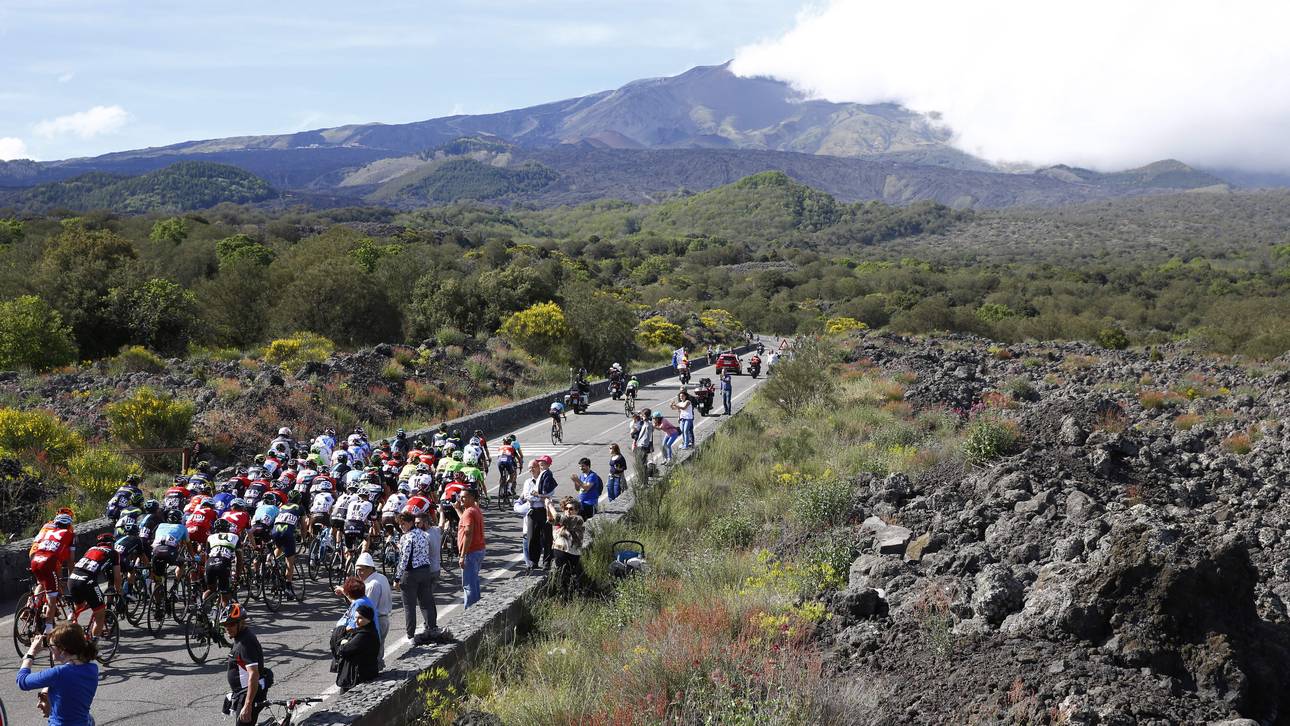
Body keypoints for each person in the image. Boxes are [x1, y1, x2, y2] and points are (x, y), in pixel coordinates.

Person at [18, 621, 98, 726]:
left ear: (63, 649)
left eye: (51, 646)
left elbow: (22, 681)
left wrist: (31, 653)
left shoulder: (58, 673)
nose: (49, 648)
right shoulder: (92, 668)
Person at [392, 512, 448, 644]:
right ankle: (432, 628)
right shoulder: (424, 534)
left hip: (410, 574)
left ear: (410, 522)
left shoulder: (406, 537)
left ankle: (410, 635)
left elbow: (404, 559)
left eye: (403, 524)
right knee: (426, 602)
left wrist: (397, 578)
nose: (401, 526)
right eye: (400, 524)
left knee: (409, 606)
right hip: (425, 571)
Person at [67, 532, 123, 640]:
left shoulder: (91, 549)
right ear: (111, 544)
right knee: (100, 612)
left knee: (79, 605)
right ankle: (93, 644)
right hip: (87, 581)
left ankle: (71, 621)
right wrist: (118, 591)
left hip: (72, 578)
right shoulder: (114, 553)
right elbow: (117, 577)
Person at [223, 603, 270, 726]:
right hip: (243, 693)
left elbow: (253, 674)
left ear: (241, 623)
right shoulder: (240, 637)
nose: (227, 628)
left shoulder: (245, 643)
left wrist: (248, 705)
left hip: (249, 694)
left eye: (231, 624)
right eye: (225, 625)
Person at [352, 552, 392, 664]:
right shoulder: (382, 577)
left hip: (376, 622)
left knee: (371, 655)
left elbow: (365, 609)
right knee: (378, 652)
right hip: (383, 620)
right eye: (357, 570)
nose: (359, 573)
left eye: (361, 570)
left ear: (370, 568)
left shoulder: (372, 585)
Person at [334, 603, 380, 691]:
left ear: (369, 619)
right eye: (355, 618)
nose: (356, 621)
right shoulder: (370, 630)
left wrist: (343, 642)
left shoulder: (364, 635)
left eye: (360, 618)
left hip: (357, 677)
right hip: (363, 673)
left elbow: (343, 650)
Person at [544, 496, 585, 594]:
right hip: (560, 550)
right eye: (566, 508)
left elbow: (557, 517)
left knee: (571, 577)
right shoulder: (564, 519)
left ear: (576, 510)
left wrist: (550, 505)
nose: (568, 511)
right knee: (561, 576)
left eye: (571, 509)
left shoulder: (577, 519)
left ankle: (571, 596)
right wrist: (547, 508)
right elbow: (550, 519)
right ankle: (563, 595)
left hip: (572, 552)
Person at [455, 486, 486, 607]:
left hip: (471, 552)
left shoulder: (468, 512)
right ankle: (476, 607)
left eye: (464, 497)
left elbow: (468, 534)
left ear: (472, 497)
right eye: (460, 497)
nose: (461, 499)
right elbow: (464, 521)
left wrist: (462, 555)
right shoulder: (474, 509)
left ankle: (470, 610)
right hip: (479, 549)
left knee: (468, 585)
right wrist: (458, 509)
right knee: (474, 582)